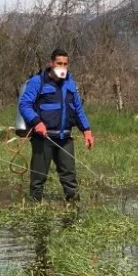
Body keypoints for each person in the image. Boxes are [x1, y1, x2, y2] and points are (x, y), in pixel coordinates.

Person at [18, 48, 94, 202]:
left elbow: (78, 109)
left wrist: (86, 130)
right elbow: (24, 105)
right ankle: (35, 212)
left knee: (70, 179)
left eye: (65, 64)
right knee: (38, 179)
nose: (62, 66)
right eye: (59, 63)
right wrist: (36, 122)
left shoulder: (70, 83)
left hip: (65, 138)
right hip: (43, 139)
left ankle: (74, 210)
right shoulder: (37, 82)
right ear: (51, 63)